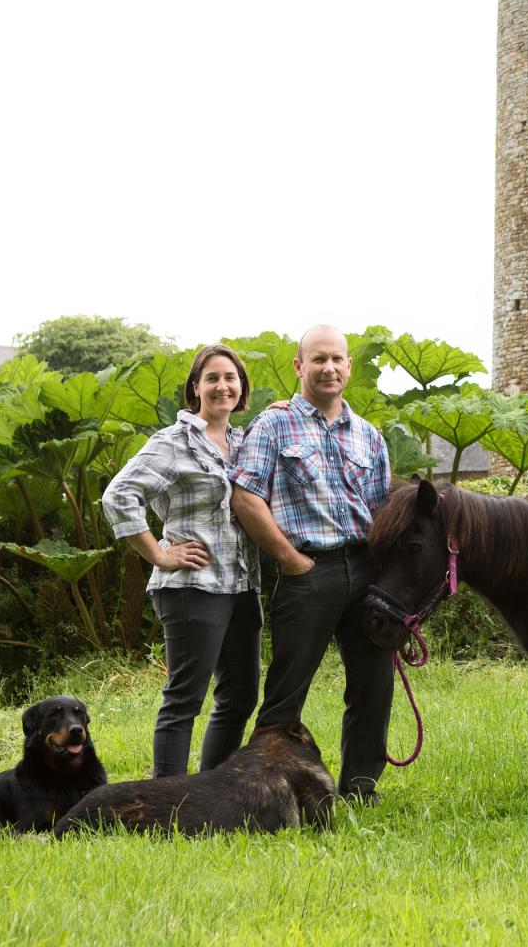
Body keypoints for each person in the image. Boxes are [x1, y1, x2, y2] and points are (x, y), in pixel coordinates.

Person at [228, 324, 394, 802]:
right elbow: (246, 496)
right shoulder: (273, 425)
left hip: (365, 572)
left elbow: (383, 510)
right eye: (318, 359)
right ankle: (267, 789)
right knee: (286, 690)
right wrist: (288, 558)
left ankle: (361, 789)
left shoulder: (370, 436)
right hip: (308, 571)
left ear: (349, 367)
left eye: (337, 359)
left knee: (373, 688)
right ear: (299, 367)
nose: (329, 368)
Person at [102, 344, 260, 778]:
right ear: (196, 388)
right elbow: (119, 495)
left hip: (242, 587)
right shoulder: (173, 442)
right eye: (212, 378)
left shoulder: (244, 442)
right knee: (185, 699)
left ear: (242, 387)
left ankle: (212, 791)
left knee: (240, 696)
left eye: (231, 377)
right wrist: (157, 553)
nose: (222, 385)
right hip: (192, 587)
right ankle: (165, 800)